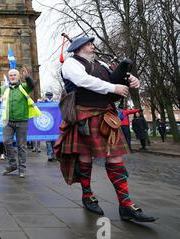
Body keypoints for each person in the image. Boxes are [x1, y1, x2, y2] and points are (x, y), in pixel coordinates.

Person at [54, 36, 156, 222]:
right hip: (85, 115)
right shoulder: (71, 64)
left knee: (115, 157)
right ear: (78, 48)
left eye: (92, 44)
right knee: (85, 156)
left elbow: (117, 78)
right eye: (89, 44)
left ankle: (125, 205)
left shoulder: (102, 63)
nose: (93, 46)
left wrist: (131, 79)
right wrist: (113, 87)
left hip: (107, 117)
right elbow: (83, 81)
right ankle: (87, 195)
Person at [0, 67, 39, 178]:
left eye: (15, 74)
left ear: (19, 76)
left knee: (21, 146)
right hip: (8, 121)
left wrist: (27, 77)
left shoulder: (24, 87)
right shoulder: (5, 88)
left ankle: (22, 168)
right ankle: (12, 164)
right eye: (10, 75)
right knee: (6, 141)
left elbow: (32, 86)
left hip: (22, 121)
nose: (12, 77)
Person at [43, 92, 56, 161]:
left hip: (54, 125)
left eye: (50, 96)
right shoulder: (42, 104)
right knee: (48, 141)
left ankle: (54, 154)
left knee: (54, 141)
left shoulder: (55, 103)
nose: (49, 97)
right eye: (48, 96)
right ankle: (50, 155)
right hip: (46, 124)